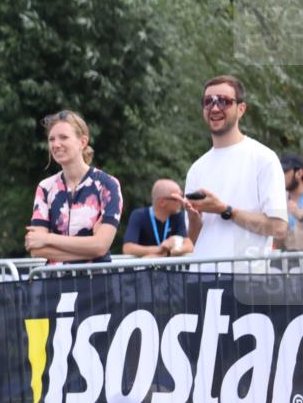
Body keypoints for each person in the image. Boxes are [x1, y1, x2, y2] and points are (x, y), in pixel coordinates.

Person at [180, 76, 287, 271]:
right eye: (208, 102)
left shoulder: (263, 158)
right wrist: (195, 220)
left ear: (241, 109)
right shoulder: (197, 168)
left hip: (246, 283)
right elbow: (194, 239)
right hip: (202, 279)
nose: (214, 108)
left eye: (223, 101)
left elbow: (278, 228)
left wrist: (226, 210)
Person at [26, 110, 122, 264]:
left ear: (82, 142)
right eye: (51, 139)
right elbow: (36, 249)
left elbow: (100, 246)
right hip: (55, 283)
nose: (56, 144)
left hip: (95, 282)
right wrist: (89, 250)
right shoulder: (45, 187)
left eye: (64, 137)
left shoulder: (108, 185)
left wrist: (48, 238)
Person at [121, 179, 194, 257]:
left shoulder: (178, 216)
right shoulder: (139, 215)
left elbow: (189, 245)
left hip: (168, 268)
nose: (182, 201)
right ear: (162, 202)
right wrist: (159, 249)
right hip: (145, 268)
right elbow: (128, 248)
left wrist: (171, 251)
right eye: (177, 198)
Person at [280, 153, 303, 251]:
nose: (280, 176)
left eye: (284, 172)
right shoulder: (280, 198)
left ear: (299, 173)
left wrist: (299, 215)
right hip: (290, 263)